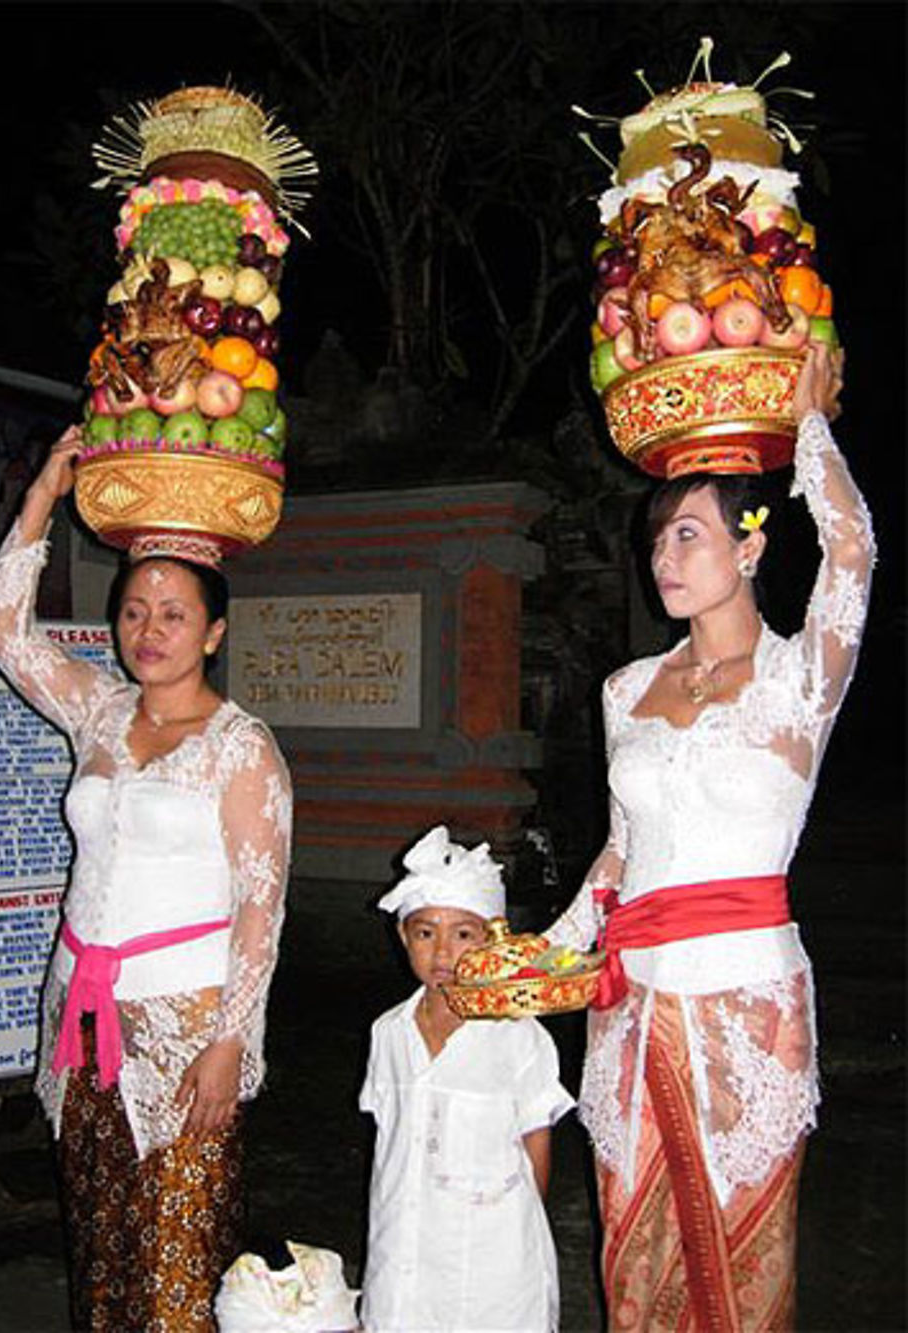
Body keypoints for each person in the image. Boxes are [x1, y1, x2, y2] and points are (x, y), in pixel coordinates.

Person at [544, 342, 875, 1332]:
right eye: (657, 540)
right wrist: (549, 950)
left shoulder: (795, 679)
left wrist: (809, 430)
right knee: (631, 1247)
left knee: (745, 1250)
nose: (663, 557)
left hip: (746, 1003)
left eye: (688, 535)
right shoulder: (623, 690)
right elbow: (618, 849)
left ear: (750, 548)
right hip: (632, 1002)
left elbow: (852, 552)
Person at [0, 424, 292, 1333]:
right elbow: (4, 629)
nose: (148, 630)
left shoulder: (242, 748)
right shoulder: (100, 713)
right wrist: (42, 496)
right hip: (83, 1013)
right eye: (135, 610)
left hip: (189, 1022)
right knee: (104, 1241)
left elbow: (260, 910)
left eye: (174, 613)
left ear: (215, 629)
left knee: (179, 1254)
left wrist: (231, 1042)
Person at [358, 825, 575, 1333]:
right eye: (424, 932)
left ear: (490, 938)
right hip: (404, 1246)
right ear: (402, 935)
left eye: (462, 934)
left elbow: (535, 1147)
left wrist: (518, 1232)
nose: (442, 955)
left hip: (489, 1257)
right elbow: (388, 1144)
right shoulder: (390, 1033)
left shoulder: (518, 1036)